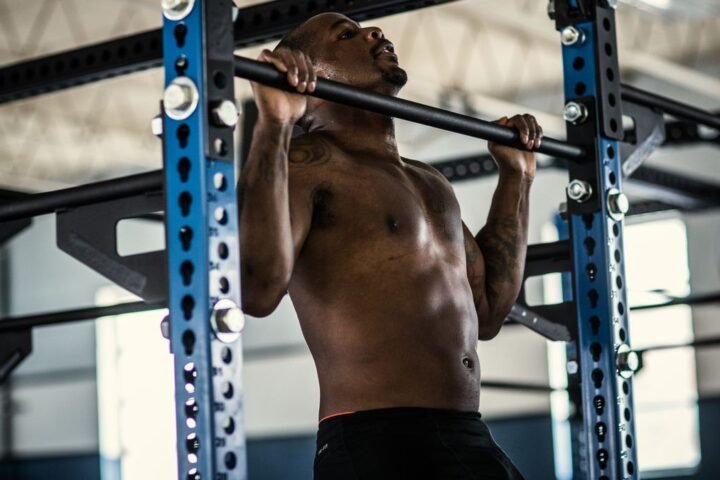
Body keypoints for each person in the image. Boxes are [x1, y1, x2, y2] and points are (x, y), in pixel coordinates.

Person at [239, 11, 542, 480]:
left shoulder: (431, 182)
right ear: (308, 75)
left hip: (466, 432)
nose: (374, 33)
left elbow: (488, 313)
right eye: (347, 34)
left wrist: (516, 178)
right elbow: (256, 290)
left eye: (366, 29)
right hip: (377, 442)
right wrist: (275, 125)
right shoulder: (306, 165)